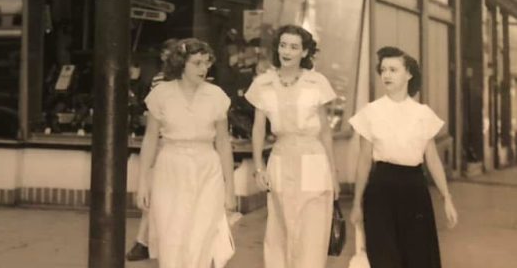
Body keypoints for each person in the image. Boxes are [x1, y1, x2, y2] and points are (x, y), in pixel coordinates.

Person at [349, 46, 458, 268]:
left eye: (393, 69)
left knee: (418, 257)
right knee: (384, 257)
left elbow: (433, 159)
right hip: (381, 189)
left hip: (414, 188)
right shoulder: (371, 112)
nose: (386, 75)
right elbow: (363, 162)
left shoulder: (423, 114)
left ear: (409, 74)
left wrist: (447, 197)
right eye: (383, 70)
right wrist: (356, 203)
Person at [245, 24, 339, 268]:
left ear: (305, 52)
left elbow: (325, 131)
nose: (287, 51)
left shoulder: (317, 82)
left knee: (312, 228)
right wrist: (258, 167)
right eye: (283, 45)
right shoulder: (263, 83)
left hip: (313, 157)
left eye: (294, 47)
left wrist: (333, 173)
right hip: (280, 157)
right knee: (280, 227)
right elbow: (258, 128)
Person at [137, 38, 236, 268]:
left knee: (202, 235)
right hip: (170, 167)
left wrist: (229, 188)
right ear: (181, 63)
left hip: (207, 168)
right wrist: (143, 182)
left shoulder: (216, 95)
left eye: (207, 62)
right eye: (197, 63)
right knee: (171, 235)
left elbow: (222, 142)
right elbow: (151, 139)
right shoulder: (161, 94)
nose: (204, 68)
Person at [127, 37, 178, 261]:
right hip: (162, 142)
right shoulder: (160, 80)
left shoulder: (193, 81)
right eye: (165, 54)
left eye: (171, 54)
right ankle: (144, 240)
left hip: (176, 143)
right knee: (157, 193)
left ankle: (146, 241)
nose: (166, 58)